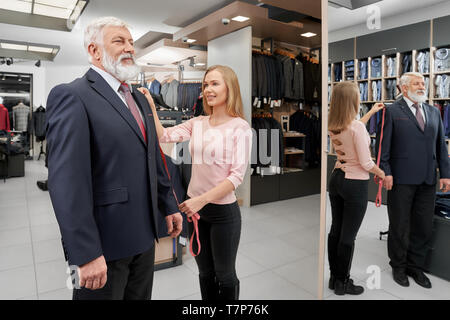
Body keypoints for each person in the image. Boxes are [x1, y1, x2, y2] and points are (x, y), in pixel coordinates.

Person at [45, 17, 183, 300]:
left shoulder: (141, 99)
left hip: (144, 238)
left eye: (131, 42)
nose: (130, 48)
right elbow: (66, 184)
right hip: (102, 247)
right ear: (95, 51)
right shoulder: (72, 96)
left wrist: (169, 205)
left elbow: (152, 157)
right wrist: (84, 254)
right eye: (119, 41)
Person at [138, 65, 252, 300]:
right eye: (206, 84)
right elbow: (164, 136)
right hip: (196, 212)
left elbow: (236, 177)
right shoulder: (198, 122)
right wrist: (150, 106)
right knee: (204, 273)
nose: (208, 89)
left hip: (222, 213)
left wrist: (200, 200)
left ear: (229, 88)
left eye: (215, 84)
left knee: (225, 275)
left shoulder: (240, 127)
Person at [379, 72, 450, 289]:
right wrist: (385, 171)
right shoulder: (391, 111)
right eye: (416, 83)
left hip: (428, 179)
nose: (422, 86)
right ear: (403, 88)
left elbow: (441, 146)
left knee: (423, 226)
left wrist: (446, 174)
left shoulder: (433, 112)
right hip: (400, 179)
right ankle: (399, 267)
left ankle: (415, 267)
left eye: (423, 83)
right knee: (400, 225)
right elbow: (382, 145)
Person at [327, 82, 385, 295]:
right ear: (352, 100)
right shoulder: (356, 128)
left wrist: (370, 113)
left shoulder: (334, 123)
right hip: (354, 184)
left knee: (336, 230)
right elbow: (366, 163)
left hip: (336, 179)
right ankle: (344, 281)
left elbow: (353, 129)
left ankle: (334, 278)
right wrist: (383, 175)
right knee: (348, 236)